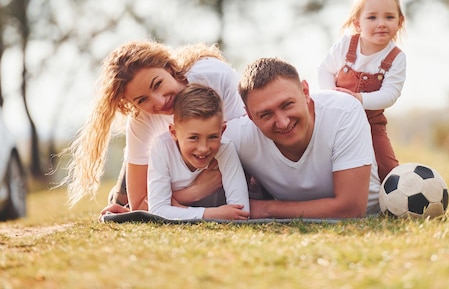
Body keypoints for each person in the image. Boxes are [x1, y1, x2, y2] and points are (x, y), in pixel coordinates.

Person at [60, 40, 245, 212]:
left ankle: (120, 198)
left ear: (169, 69)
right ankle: (119, 197)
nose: (159, 102)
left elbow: (249, 138)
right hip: (170, 172)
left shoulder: (213, 76)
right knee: (127, 197)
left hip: (215, 169)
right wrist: (196, 191)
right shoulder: (141, 121)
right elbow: (140, 203)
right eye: (142, 100)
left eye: (157, 84)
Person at [223, 57, 381, 219]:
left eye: (287, 105)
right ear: (249, 116)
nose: (283, 123)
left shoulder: (343, 111)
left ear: (305, 92)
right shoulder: (238, 134)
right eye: (266, 114)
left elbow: (351, 209)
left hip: (370, 213)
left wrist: (266, 209)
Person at [317, 0, 406, 181]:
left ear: (400, 22)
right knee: (322, 159)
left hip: (371, 123)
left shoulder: (396, 57)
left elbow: (389, 95)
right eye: (372, 17)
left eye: (389, 17)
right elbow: (325, 70)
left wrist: (358, 99)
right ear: (358, 24)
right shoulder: (347, 44)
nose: (381, 23)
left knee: (387, 165)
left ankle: (396, 195)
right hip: (336, 120)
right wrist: (332, 96)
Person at [147, 83, 250, 220]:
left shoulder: (225, 148)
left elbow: (240, 211)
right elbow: (157, 210)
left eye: (213, 137)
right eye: (193, 138)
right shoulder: (162, 147)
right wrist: (211, 214)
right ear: (173, 132)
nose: (203, 148)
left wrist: (177, 209)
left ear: (222, 131)